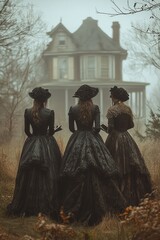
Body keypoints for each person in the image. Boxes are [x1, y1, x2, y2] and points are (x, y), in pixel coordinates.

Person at [59, 84, 126, 226]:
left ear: (79, 98)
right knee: (100, 169)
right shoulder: (95, 108)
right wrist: (92, 134)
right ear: (91, 97)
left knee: (74, 170)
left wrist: (80, 134)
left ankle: (71, 211)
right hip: (93, 139)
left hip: (77, 139)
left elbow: (72, 128)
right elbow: (96, 128)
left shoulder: (73, 109)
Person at [7, 87, 62, 219]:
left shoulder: (27, 112)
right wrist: (56, 130)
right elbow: (50, 133)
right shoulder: (50, 112)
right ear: (45, 100)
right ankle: (46, 203)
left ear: (34, 99)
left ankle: (27, 204)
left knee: (28, 173)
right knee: (49, 172)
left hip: (31, 143)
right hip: (47, 143)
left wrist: (34, 139)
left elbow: (27, 131)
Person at [102, 86, 152, 207]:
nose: (110, 98)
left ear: (115, 97)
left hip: (115, 139)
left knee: (114, 164)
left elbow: (111, 128)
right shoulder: (128, 109)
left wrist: (105, 129)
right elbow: (131, 125)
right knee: (131, 166)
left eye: (111, 96)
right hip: (127, 138)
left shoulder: (111, 110)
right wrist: (122, 129)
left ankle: (117, 199)